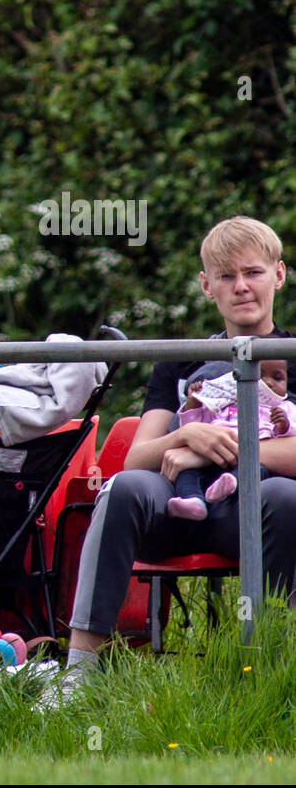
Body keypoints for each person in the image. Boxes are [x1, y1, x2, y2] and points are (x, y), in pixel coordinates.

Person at [43, 216, 296, 707]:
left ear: (279, 275)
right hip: (175, 506)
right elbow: (137, 457)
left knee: (285, 496)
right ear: (206, 286)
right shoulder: (178, 360)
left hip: (256, 511)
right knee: (123, 489)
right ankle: (77, 679)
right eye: (225, 276)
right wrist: (187, 433)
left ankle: (272, 675)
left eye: (253, 272)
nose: (241, 287)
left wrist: (232, 445)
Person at [166, 359, 296, 520]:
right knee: (187, 472)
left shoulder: (285, 408)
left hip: (249, 462)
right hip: (212, 458)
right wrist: (192, 404)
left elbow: (291, 434)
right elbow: (193, 426)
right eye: (258, 376)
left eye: (277, 378)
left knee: (258, 471)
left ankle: (230, 484)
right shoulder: (223, 403)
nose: (268, 383)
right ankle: (192, 501)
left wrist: (283, 424)